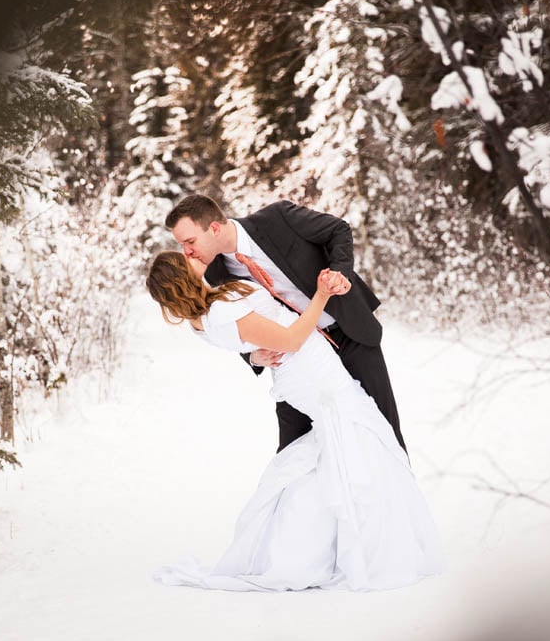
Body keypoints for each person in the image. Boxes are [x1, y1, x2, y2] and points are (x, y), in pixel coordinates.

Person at [145, 251, 443, 591]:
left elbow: (250, 336)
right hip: (313, 373)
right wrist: (321, 296)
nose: (191, 256)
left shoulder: (205, 318)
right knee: (359, 439)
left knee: (345, 445)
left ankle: (317, 543)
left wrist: (255, 353)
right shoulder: (221, 310)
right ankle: (362, 550)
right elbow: (290, 340)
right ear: (182, 278)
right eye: (184, 261)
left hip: (308, 370)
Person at [166, 194, 406, 454]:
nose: (186, 252)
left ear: (213, 228)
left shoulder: (276, 219)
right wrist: (253, 357)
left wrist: (340, 272)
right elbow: (236, 322)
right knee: (293, 449)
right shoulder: (214, 273)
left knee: (384, 433)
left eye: (189, 242)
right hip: (296, 361)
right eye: (181, 245)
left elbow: (338, 229)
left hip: (348, 332)